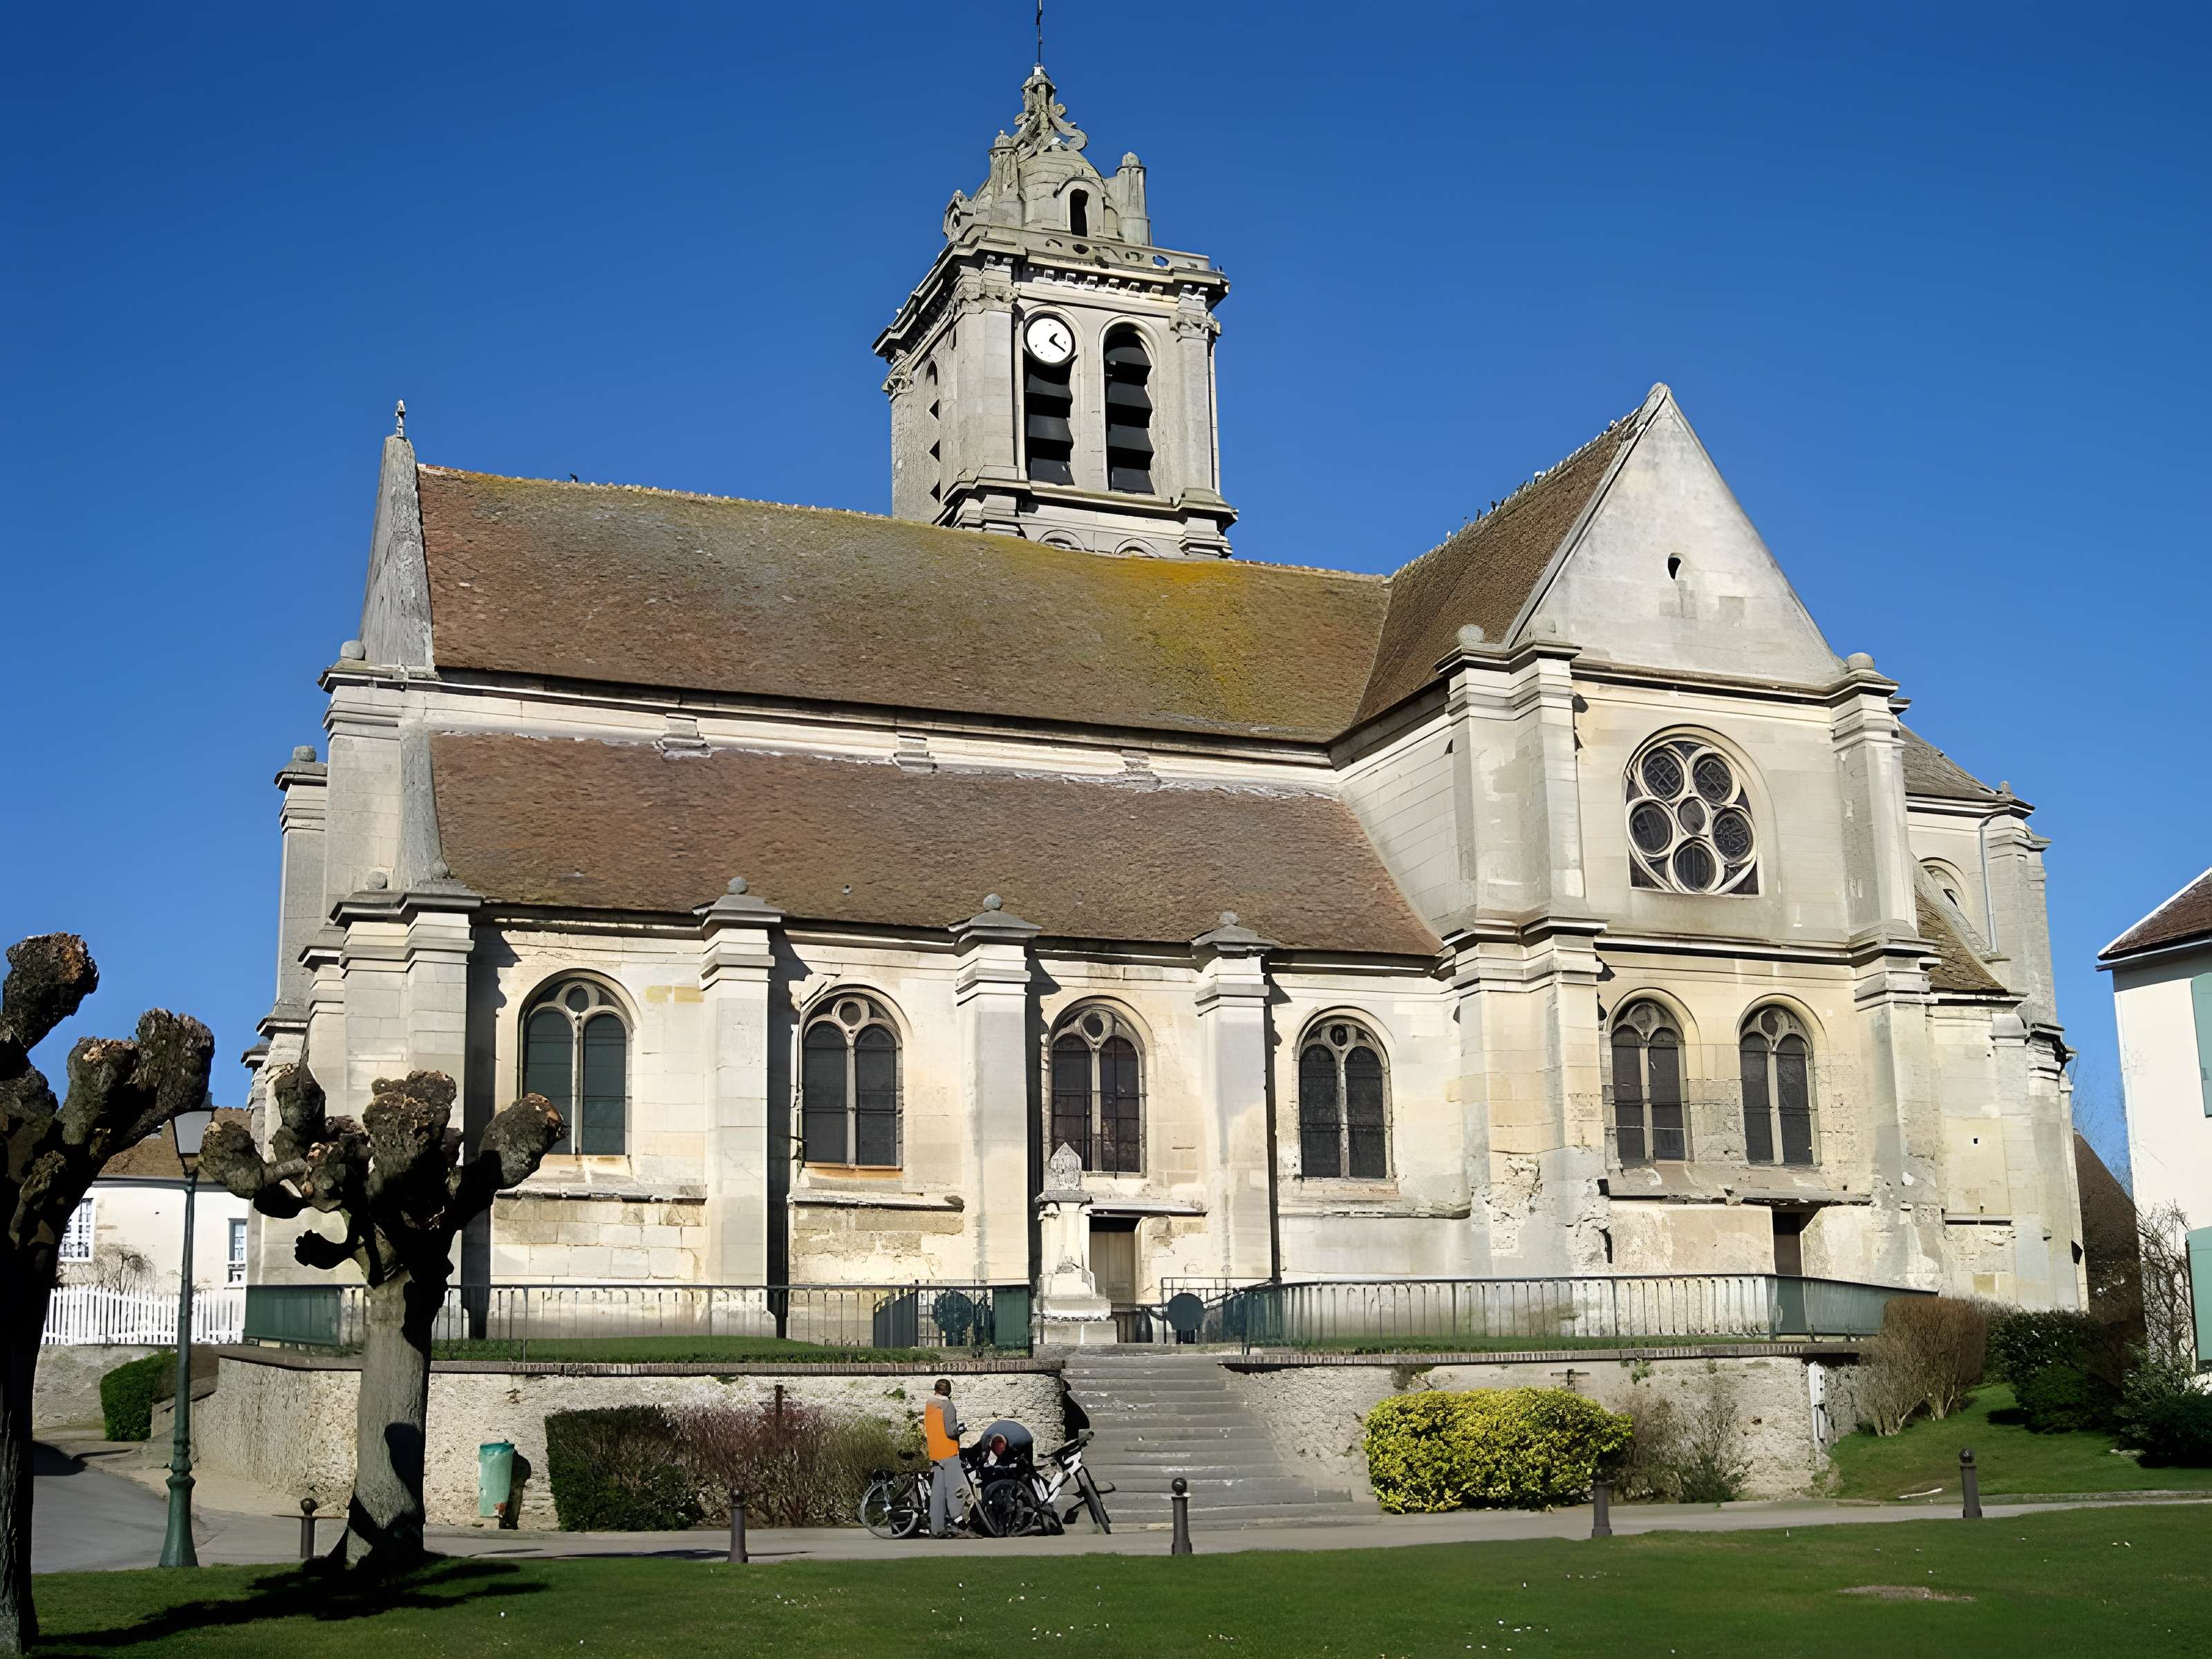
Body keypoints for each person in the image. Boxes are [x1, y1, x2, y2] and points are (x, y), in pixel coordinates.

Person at [924, 1376, 964, 1538]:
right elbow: (950, 1431)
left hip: (936, 1452)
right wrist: (961, 1430)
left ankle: (937, 1529)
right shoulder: (947, 1405)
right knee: (955, 1489)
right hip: (948, 1451)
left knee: (938, 1493)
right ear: (949, 1391)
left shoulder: (930, 1404)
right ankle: (960, 1520)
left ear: (936, 1390)